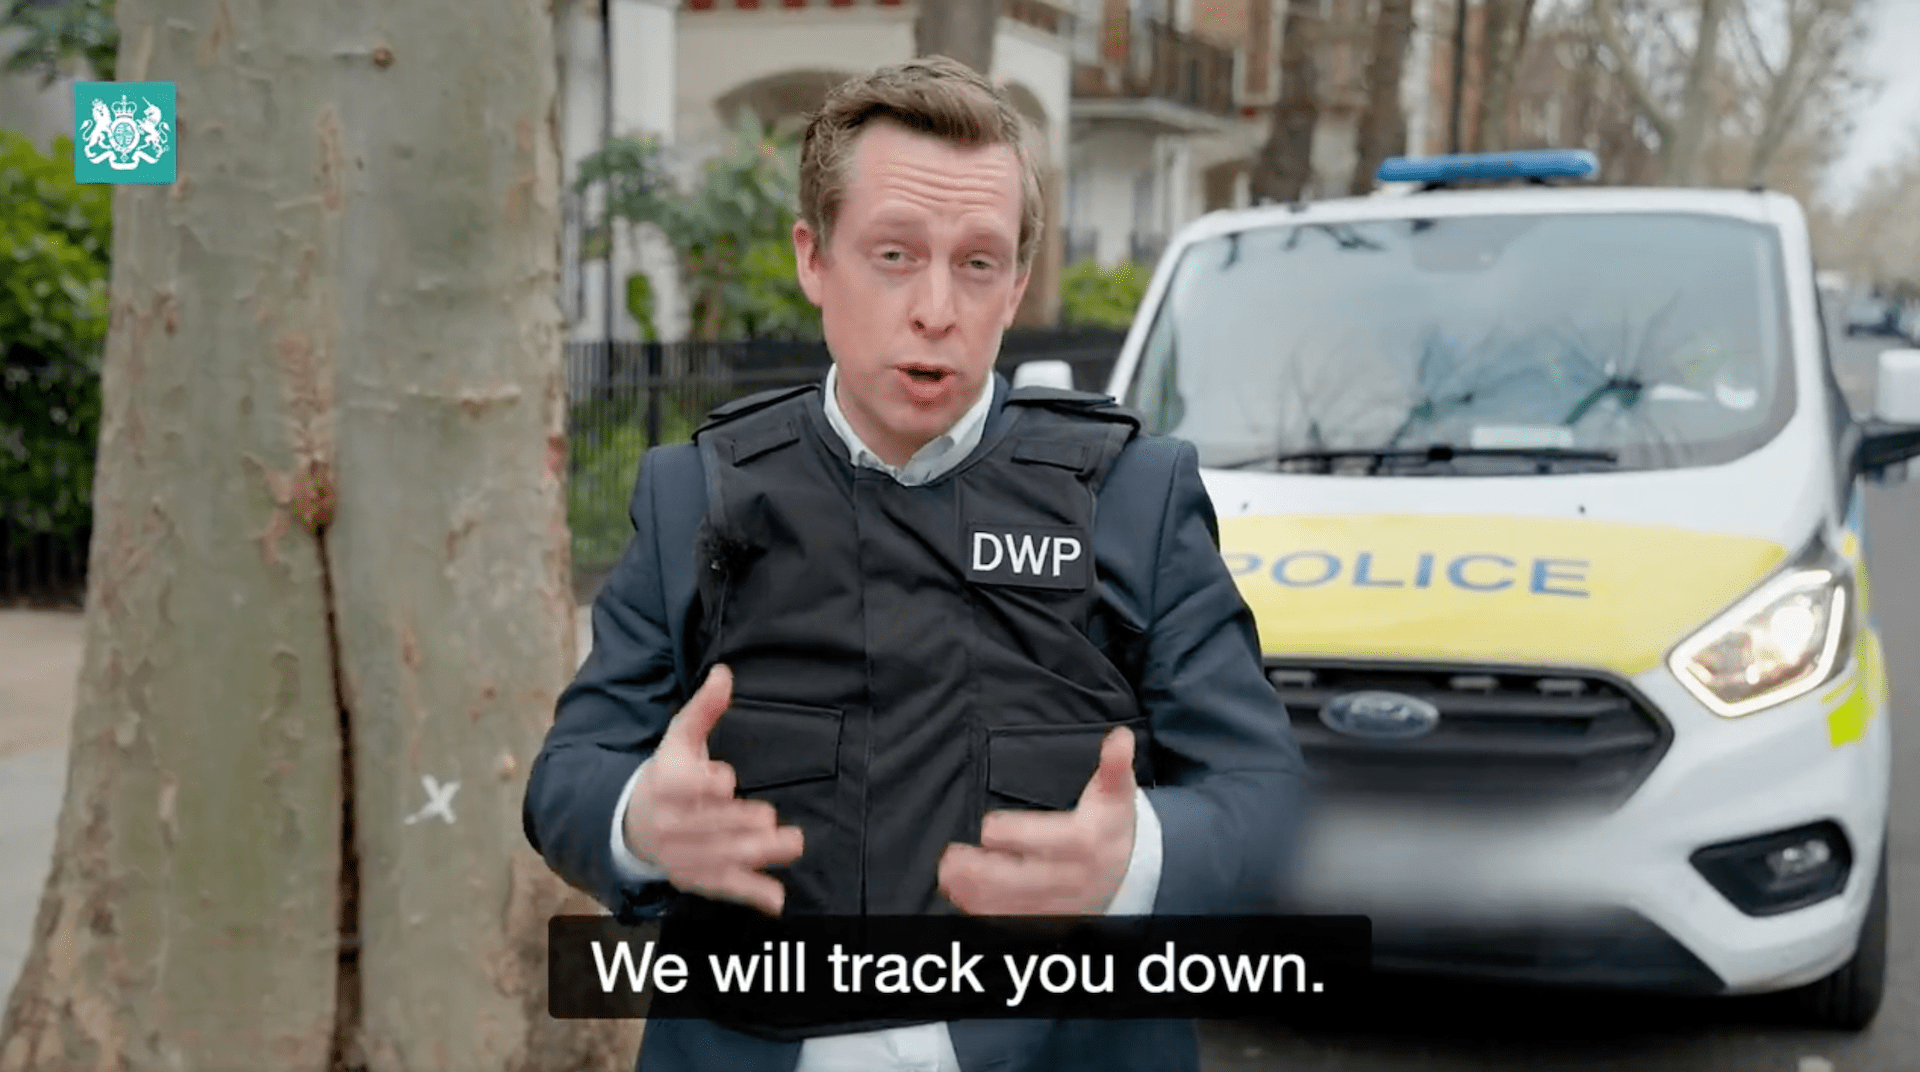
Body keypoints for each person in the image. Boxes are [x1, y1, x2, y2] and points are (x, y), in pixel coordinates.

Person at [522, 55, 1310, 1072]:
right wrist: (641, 820)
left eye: (978, 263)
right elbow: (568, 778)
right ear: (815, 259)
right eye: (895, 254)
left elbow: (1267, 794)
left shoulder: (1133, 498)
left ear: (1017, 284)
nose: (937, 306)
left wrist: (1138, 856)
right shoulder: (696, 497)